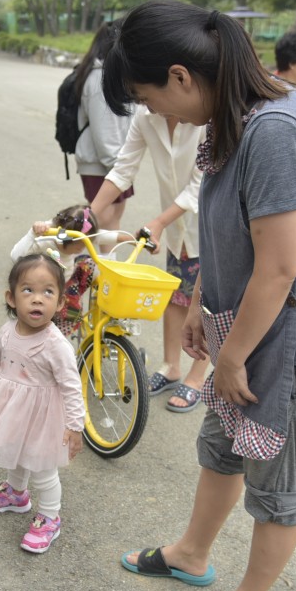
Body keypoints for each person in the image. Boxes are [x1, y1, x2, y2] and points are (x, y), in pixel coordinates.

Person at [103, 1, 296, 591]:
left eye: (154, 100)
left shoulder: (274, 130)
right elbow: (230, 228)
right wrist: (200, 294)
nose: (164, 117)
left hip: (292, 342)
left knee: (277, 485)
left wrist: (232, 358)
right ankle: (192, 552)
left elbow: (281, 269)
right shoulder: (231, 114)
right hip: (249, 326)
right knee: (224, 445)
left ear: (180, 76)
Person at [89, 108, 209, 413]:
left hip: (209, 225)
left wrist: (158, 222)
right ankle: (171, 366)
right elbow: (122, 170)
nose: (142, 100)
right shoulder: (146, 114)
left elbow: (200, 184)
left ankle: (197, 378)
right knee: (174, 294)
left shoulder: (203, 116)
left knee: (206, 302)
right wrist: (87, 217)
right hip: (176, 227)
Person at [0, 254, 85, 553]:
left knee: (42, 467)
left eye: (48, 292)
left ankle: (50, 516)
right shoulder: (7, 331)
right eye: (28, 291)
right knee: (14, 450)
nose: (38, 300)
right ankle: (16, 494)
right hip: (11, 407)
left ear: (60, 302)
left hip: (43, 416)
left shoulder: (55, 345)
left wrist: (76, 425)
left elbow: (72, 387)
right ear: (11, 298)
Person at [9, 204, 131, 337]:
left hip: (65, 283)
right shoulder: (46, 235)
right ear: (66, 238)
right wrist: (32, 234)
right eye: (80, 245)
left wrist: (128, 239)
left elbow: (98, 236)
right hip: (43, 289)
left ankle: (98, 312)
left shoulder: (77, 236)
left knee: (92, 264)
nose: (83, 247)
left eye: (86, 243)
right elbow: (15, 256)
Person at [72, 20, 134, 236]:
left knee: (113, 220)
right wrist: (118, 170)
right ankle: (98, 269)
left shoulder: (108, 76)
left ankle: (104, 266)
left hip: (113, 163)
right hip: (103, 164)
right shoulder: (99, 79)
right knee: (103, 225)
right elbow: (104, 133)